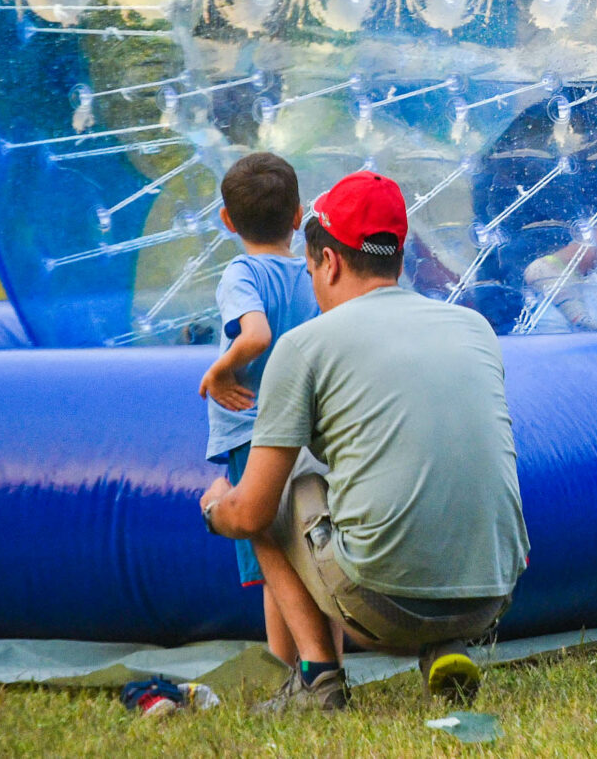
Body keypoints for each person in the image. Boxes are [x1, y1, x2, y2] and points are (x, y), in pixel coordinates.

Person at [199, 173, 528, 715]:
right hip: (491, 599)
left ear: (327, 262)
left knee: (271, 487)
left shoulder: (304, 346)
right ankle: (442, 645)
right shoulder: (473, 327)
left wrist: (216, 508)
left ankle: (317, 677)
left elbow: (253, 511)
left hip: (380, 608)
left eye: (310, 272)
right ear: (397, 256)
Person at [198, 152, 320, 667]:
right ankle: (327, 664)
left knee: (273, 558)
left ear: (227, 220)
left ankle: (286, 670)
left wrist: (221, 369)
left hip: (255, 432)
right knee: (315, 557)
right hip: (313, 433)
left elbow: (256, 335)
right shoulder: (313, 274)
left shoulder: (241, 273)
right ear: (298, 216)